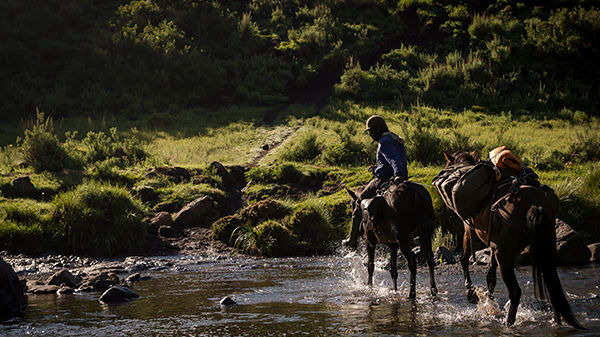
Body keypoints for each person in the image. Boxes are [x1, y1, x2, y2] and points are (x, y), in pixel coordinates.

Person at [343, 115, 408, 248]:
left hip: (384, 179)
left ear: (378, 129)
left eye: (371, 131)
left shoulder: (384, 141)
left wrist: (398, 174)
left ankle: (352, 238)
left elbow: (394, 159)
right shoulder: (394, 138)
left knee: (359, 198)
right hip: (394, 175)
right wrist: (377, 168)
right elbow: (392, 160)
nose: (371, 134)